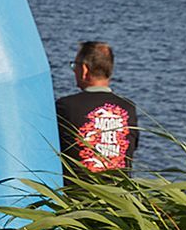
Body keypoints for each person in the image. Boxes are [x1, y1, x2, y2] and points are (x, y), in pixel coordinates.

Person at [54, 40, 139, 182]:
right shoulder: (128, 108)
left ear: (84, 70)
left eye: (75, 66)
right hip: (120, 193)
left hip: (78, 193)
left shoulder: (65, 106)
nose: (74, 70)